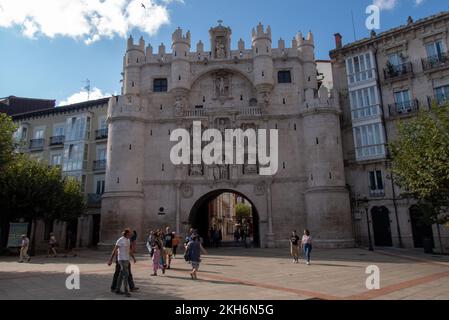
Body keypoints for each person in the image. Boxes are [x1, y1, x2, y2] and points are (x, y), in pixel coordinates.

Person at [108, 229, 136, 297]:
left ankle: (117, 289)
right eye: (129, 233)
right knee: (126, 275)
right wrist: (110, 260)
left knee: (121, 274)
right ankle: (126, 291)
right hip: (121, 260)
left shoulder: (128, 240)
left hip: (126, 259)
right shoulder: (120, 240)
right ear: (126, 234)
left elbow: (129, 250)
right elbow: (115, 250)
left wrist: (133, 258)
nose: (130, 234)